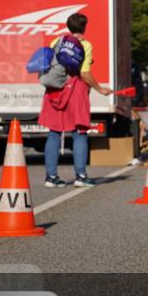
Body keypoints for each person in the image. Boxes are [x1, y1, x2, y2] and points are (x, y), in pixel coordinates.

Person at [39, 13, 113, 187]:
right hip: (75, 90)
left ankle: (51, 177)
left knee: (54, 132)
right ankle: (80, 176)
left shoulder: (56, 42)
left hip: (55, 90)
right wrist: (100, 89)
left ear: (68, 26)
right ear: (84, 27)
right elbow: (84, 73)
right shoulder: (85, 45)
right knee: (79, 133)